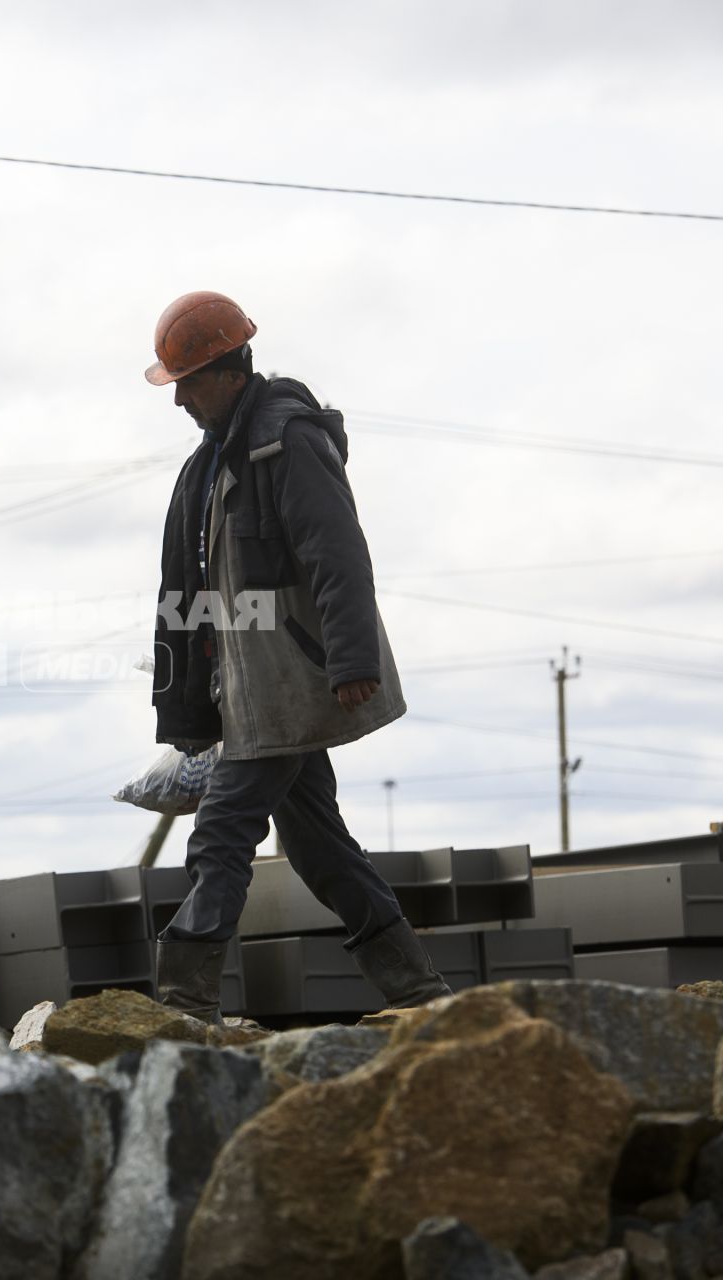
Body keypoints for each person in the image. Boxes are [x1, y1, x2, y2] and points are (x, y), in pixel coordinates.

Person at [143, 290, 449, 1023]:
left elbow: (336, 553)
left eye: (185, 381)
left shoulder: (287, 438)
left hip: (298, 682)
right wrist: (188, 707)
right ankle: (420, 995)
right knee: (317, 844)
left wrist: (350, 660)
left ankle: (183, 1001)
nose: (178, 398)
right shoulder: (208, 467)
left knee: (222, 832)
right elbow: (189, 594)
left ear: (225, 370)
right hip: (252, 690)